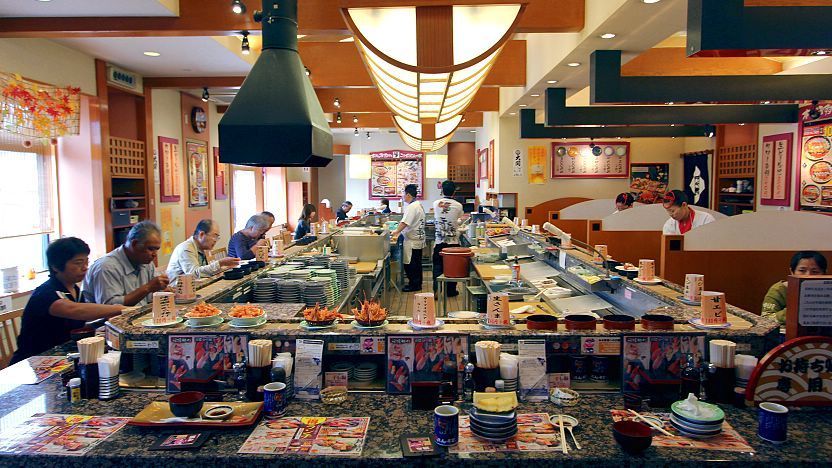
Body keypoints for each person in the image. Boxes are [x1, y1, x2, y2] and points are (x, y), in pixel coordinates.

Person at [10, 238, 125, 364]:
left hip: (62, 357)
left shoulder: (74, 289)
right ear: (55, 266)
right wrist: (121, 309)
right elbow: (75, 310)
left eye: (86, 262)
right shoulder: (45, 293)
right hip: (35, 361)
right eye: (78, 263)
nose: (85, 268)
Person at [82, 221, 169, 306]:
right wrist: (147, 288)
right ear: (134, 244)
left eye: (157, 249)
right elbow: (109, 307)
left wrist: (163, 292)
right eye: (150, 249)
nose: (154, 254)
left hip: (139, 316)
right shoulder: (106, 267)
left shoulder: (146, 262)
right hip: (106, 319)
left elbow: (151, 297)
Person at [762, 251, 828, 325]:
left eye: (815, 271)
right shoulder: (779, 289)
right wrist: (795, 310)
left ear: (824, 273)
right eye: (802, 271)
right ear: (792, 271)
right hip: (784, 334)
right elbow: (765, 320)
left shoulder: (828, 290)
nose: (808, 275)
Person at [167, 219, 240, 281]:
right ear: (201, 235)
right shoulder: (186, 248)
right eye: (214, 236)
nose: (215, 241)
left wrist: (224, 267)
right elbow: (194, 274)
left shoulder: (202, 248)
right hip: (177, 292)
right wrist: (220, 263)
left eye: (217, 237)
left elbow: (203, 272)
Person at [391, 184, 425, 292]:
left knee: (411, 264)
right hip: (417, 239)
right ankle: (417, 283)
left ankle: (414, 285)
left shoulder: (412, 207)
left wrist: (396, 231)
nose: (403, 197)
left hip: (412, 240)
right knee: (417, 263)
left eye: (404, 194)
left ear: (408, 194)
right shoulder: (418, 205)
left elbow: (405, 222)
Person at [432, 180, 464, 296]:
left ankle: (436, 289)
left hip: (439, 241)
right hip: (453, 242)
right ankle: (450, 291)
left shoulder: (436, 204)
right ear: (454, 192)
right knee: (452, 268)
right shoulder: (458, 205)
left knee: (437, 266)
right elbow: (458, 219)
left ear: (442, 190)